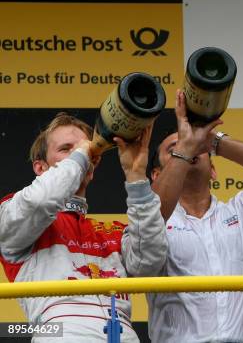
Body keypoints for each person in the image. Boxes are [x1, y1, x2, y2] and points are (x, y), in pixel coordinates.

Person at [0, 113, 167, 342]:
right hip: (59, 332)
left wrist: (136, 176)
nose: (83, 155)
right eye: (66, 148)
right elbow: (40, 201)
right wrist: (80, 155)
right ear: (40, 167)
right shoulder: (13, 212)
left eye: (88, 150)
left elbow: (149, 264)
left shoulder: (112, 231)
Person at [147, 90, 243, 343]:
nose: (188, 148)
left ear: (213, 171)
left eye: (196, 148)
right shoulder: (152, 224)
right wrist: (186, 147)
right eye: (174, 149)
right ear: (156, 177)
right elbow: (149, 219)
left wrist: (214, 141)